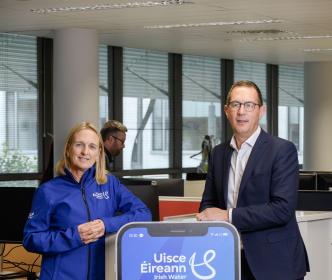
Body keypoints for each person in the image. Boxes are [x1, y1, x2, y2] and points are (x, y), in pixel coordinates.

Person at [196, 80, 309, 280]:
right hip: (228, 260)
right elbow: (208, 204)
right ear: (226, 110)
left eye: (249, 105)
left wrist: (228, 216)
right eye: (235, 105)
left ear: (261, 111)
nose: (242, 112)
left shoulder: (282, 150)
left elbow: (282, 209)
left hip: (274, 264)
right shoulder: (218, 153)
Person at [23, 122, 151, 280]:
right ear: (69, 149)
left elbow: (143, 214)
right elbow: (31, 239)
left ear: (98, 152)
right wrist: (75, 236)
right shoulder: (48, 191)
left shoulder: (110, 184)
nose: (85, 152)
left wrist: (106, 225)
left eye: (92, 146)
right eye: (79, 145)